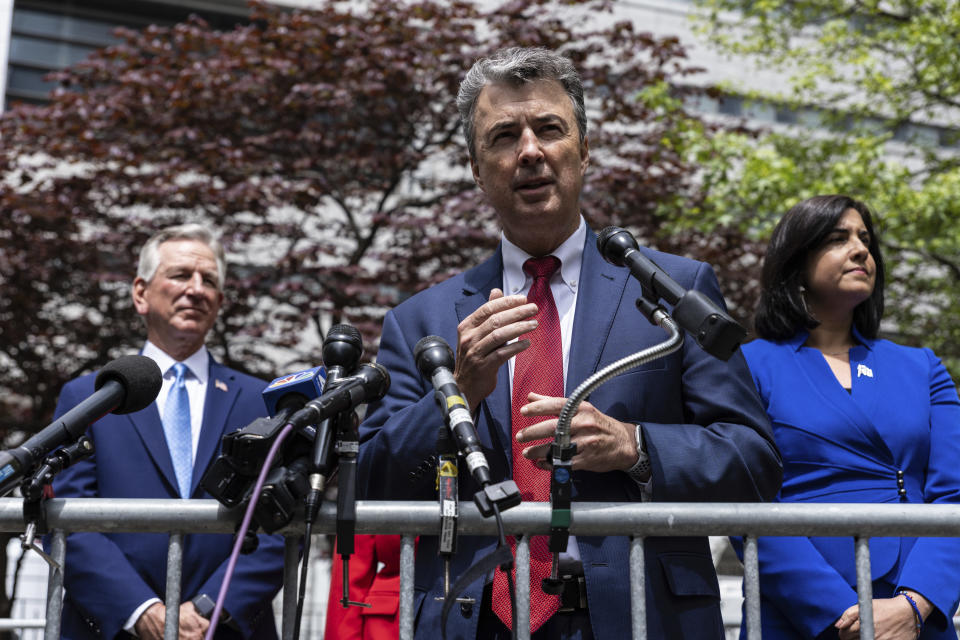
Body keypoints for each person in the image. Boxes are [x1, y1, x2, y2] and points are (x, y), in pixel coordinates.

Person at [358, 46, 782, 639]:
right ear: (478, 169)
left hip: (641, 617)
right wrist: (458, 394)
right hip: (474, 619)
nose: (529, 150)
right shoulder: (419, 319)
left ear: (583, 150)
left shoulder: (674, 290)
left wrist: (632, 446)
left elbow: (753, 461)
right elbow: (373, 483)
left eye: (549, 129)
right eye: (504, 135)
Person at [739, 194, 960, 640]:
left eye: (865, 239)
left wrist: (915, 604)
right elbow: (745, 502)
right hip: (801, 613)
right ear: (796, 260)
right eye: (838, 238)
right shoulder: (746, 366)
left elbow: (955, 493)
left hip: (914, 610)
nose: (861, 249)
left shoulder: (922, 367)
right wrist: (844, 614)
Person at [52, 224, 286, 640]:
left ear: (220, 302)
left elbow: (277, 522)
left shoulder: (260, 401)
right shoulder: (88, 397)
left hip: (222, 629)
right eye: (180, 275)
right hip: (114, 628)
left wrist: (209, 608)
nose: (196, 289)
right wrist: (141, 611)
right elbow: (71, 520)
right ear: (141, 293)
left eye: (209, 280)